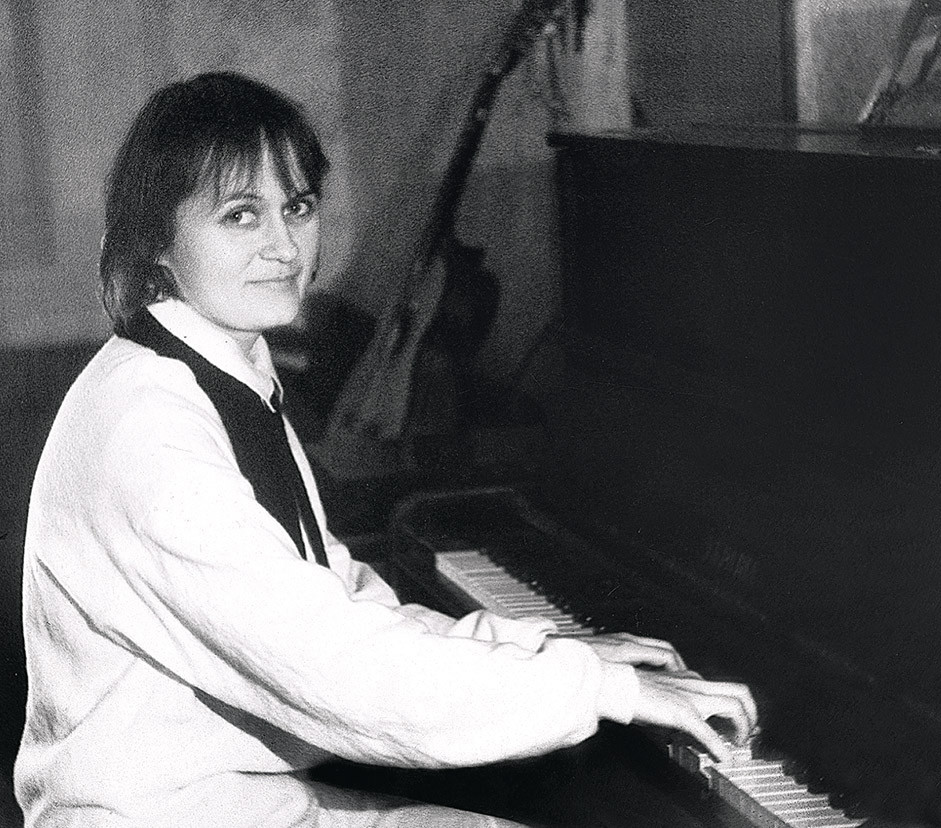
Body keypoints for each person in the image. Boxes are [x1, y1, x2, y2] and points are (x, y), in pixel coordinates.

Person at [14, 71, 757, 828]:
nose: (285, 246)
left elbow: (337, 598)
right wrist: (601, 691)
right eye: (241, 215)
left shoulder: (216, 369)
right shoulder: (149, 430)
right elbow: (336, 666)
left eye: (298, 207)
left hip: (237, 796)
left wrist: (554, 654)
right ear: (157, 244)